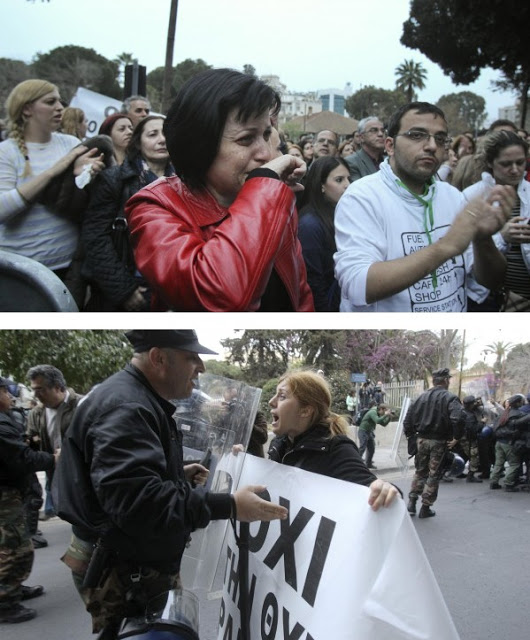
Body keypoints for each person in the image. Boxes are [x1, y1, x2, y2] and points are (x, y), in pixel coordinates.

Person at [55, 330, 288, 637]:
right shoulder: (126, 407)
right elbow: (140, 504)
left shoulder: (131, 397)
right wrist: (230, 505)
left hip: (129, 560)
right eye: (191, 357)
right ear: (159, 358)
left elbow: (122, 483)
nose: (201, 368)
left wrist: (174, 473)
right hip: (127, 571)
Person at [125, 68, 313, 312]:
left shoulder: (272, 198)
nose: (266, 153)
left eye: (266, 134)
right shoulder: (153, 207)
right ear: (200, 145)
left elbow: (301, 295)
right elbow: (223, 295)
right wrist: (265, 187)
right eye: (246, 139)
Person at [334, 101, 515, 312]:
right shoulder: (361, 197)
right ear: (390, 145)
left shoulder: (452, 196)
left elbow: (491, 281)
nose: (431, 146)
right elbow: (357, 285)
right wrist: (445, 247)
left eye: (440, 139)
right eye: (417, 135)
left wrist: (482, 239)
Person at [0, 79, 105, 284]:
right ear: (27, 109)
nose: (60, 108)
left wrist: (82, 177)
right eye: (50, 102)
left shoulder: (72, 144)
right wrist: (54, 172)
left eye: (59, 101)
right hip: (19, 270)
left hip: (68, 267)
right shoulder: (6, 152)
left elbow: (85, 205)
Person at [267, 370, 399, 510]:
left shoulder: (336, 448)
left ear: (305, 411)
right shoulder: (279, 443)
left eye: (282, 396)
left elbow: (368, 486)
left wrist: (384, 489)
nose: (271, 402)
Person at [82, 116, 174, 311]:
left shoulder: (187, 181)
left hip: (170, 287)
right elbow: (95, 237)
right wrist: (124, 290)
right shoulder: (114, 180)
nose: (162, 139)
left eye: (166, 133)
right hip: (131, 283)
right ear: (138, 143)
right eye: (153, 134)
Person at [0, 376, 57, 624]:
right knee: (13, 548)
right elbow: (21, 458)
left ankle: (13, 587)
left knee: (17, 545)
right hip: (5, 495)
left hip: (11, 491)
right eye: (5, 391)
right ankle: (4, 601)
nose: (10, 396)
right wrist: (52, 458)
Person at [463, 130, 530, 311]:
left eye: (520, 162)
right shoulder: (472, 196)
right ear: (490, 163)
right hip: (488, 299)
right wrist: (502, 237)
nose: (515, 169)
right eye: (506, 164)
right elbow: (465, 257)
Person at [404, 368, 465, 518]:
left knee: (420, 471)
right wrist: (456, 437)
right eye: (448, 380)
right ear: (445, 380)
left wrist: (412, 438)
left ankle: (411, 503)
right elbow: (458, 418)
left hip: (421, 440)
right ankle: (425, 508)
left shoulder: (420, 397)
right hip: (438, 441)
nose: (449, 382)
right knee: (433, 474)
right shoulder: (450, 398)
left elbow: (407, 421)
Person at [26, 365, 82, 522]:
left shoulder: (82, 405)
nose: (36, 395)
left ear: (58, 387)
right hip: (54, 473)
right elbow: (31, 440)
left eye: (40, 390)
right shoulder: (36, 413)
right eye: (34, 390)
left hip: (80, 472)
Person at [297, 156, 351, 310]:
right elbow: (313, 282)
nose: (348, 185)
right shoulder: (309, 225)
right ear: (321, 185)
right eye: (339, 180)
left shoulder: (342, 214)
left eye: (349, 179)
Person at [490, 394, 530, 492]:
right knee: (515, 464)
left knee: (498, 463)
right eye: (521, 401)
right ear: (517, 403)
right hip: (508, 443)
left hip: (499, 443)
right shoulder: (519, 414)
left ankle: (493, 482)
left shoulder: (504, 413)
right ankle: (509, 483)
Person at [344, 116, 385, 181]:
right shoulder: (351, 162)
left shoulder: (389, 161)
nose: (381, 134)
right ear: (361, 137)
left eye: (382, 131)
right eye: (374, 130)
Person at [357, 403, 393, 469]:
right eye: (385, 411)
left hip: (369, 432)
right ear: (382, 409)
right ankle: (356, 463)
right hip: (363, 431)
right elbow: (378, 421)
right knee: (362, 447)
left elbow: (384, 424)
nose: (385, 412)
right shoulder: (373, 412)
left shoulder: (378, 414)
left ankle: (368, 464)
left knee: (371, 449)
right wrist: (385, 415)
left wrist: (389, 418)